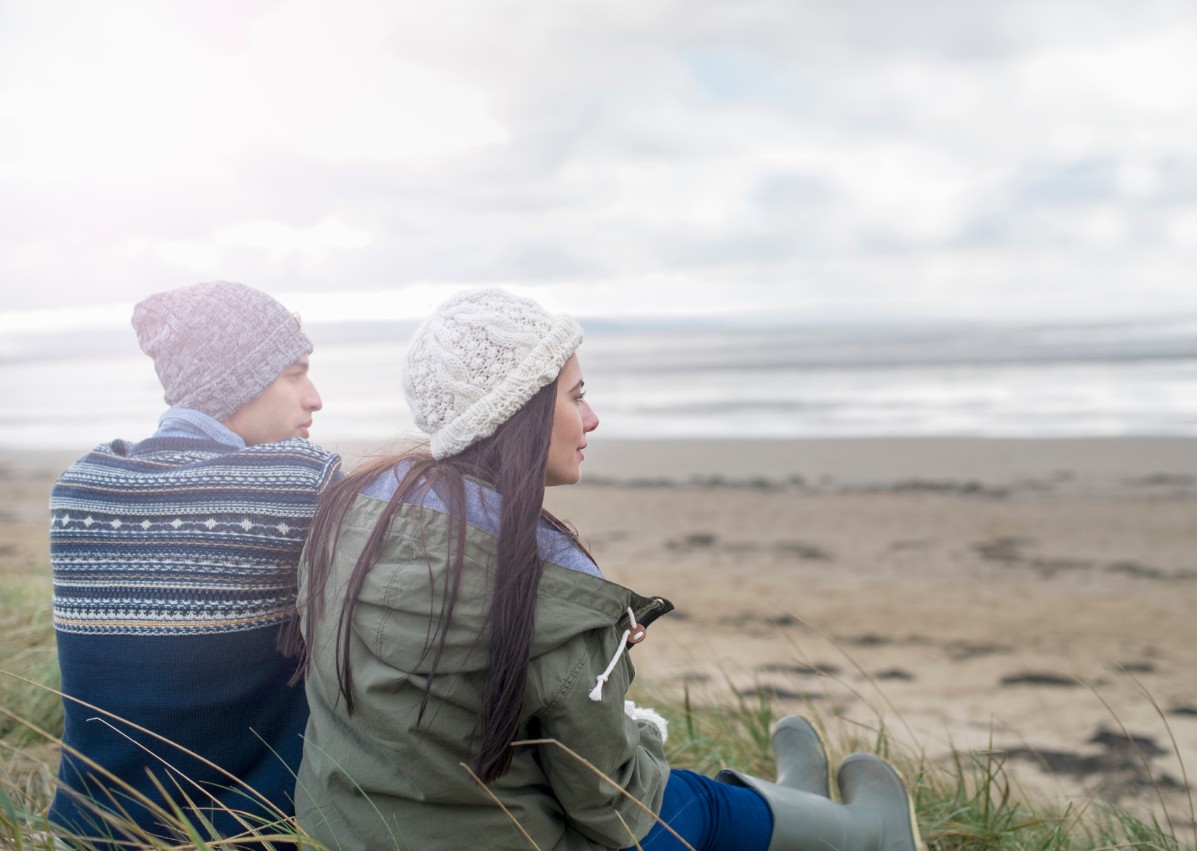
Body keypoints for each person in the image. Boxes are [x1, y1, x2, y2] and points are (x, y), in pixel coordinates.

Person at [294, 288, 924, 850]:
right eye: (577, 396)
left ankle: (800, 802)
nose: (592, 418)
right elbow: (616, 807)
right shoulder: (539, 586)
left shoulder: (351, 518)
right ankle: (868, 834)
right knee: (688, 800)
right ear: (523, 414)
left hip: (349, 826)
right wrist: (636, 722)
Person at [48, 281, 343, 847]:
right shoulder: (303, 483)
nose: (315, 398)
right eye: (294, 373)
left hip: (84, 832)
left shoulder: (79, 486)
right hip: (237, 836)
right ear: (240, 380)